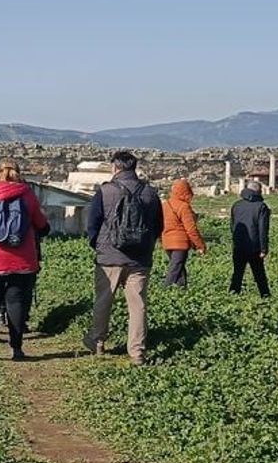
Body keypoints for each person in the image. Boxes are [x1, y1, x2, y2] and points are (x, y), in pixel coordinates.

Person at [85, 151, 164, 365]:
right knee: (138, 305)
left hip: (109, 257)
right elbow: (158, 225)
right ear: (134, 167)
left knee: (104, 300)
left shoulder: (105, 191)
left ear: (115, 168)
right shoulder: (150, 193)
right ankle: (137, 352)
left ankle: (98, 341)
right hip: (139, 259)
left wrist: (98, 245)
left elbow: (92, 223)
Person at [0, 159, 50, 360]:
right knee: (16, 301)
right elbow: (41, 223)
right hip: (22, 259)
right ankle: (16, 347)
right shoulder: (27, 194)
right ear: (18, 173)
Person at [160, 179, 206, 287]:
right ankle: (164, 290)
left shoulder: (165, 205)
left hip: (167, 242)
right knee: (175, 270)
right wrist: (200, 245)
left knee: (179, 268)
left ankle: (182, 289)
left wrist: (160, 239)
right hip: (180, 243)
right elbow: (191, 229)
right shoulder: (183, 206)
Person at [230, 179, 271, 297]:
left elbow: (233, 226)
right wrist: (263, 249)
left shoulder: (236, 205)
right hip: (254, 247)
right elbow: (263, 229)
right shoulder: (261, 207)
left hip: (239, 245)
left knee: (237, 273)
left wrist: (236, 241)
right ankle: (265, 296)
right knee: (259, 274)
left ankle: (232, 296)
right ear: (258, 192)